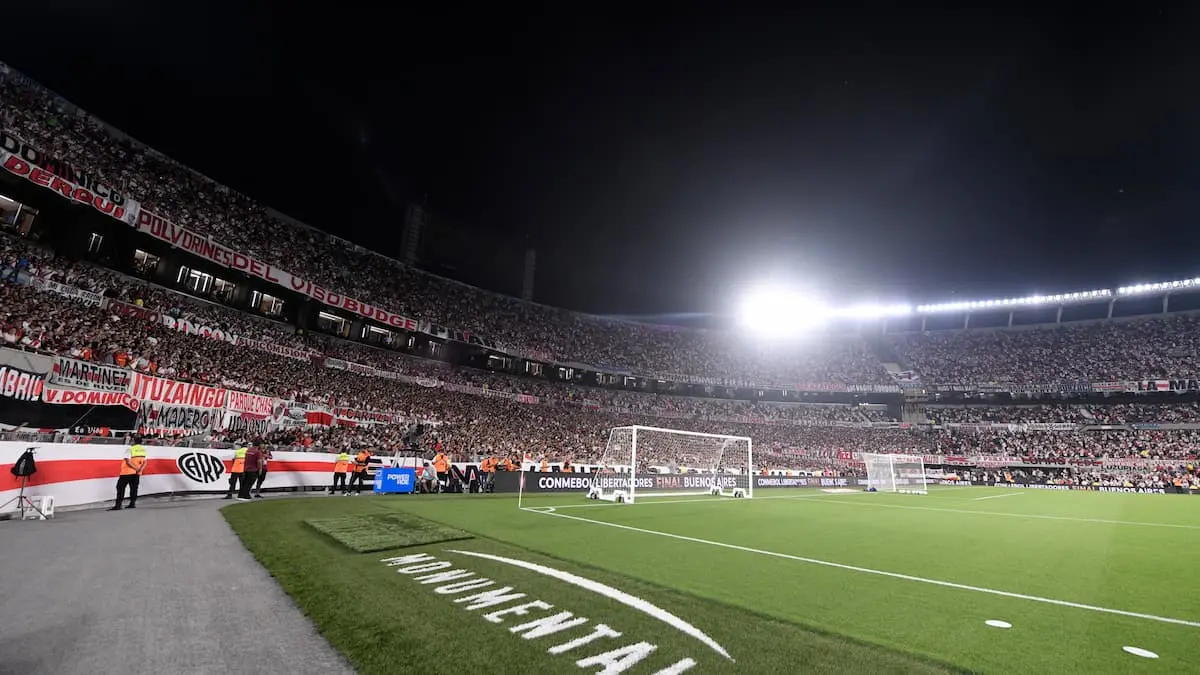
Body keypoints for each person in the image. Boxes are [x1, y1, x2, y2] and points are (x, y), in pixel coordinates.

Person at [109, 439, 148, 511]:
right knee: (134, 488)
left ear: (133, 441)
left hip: (127, 472)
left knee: (120, 488)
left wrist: (135, 468)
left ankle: (118, 505)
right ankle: (132, 503)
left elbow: (128, 461)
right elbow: (145, 462)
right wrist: (140, 470)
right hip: (137, 473)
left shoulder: (130, 449)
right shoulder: (143, 450)